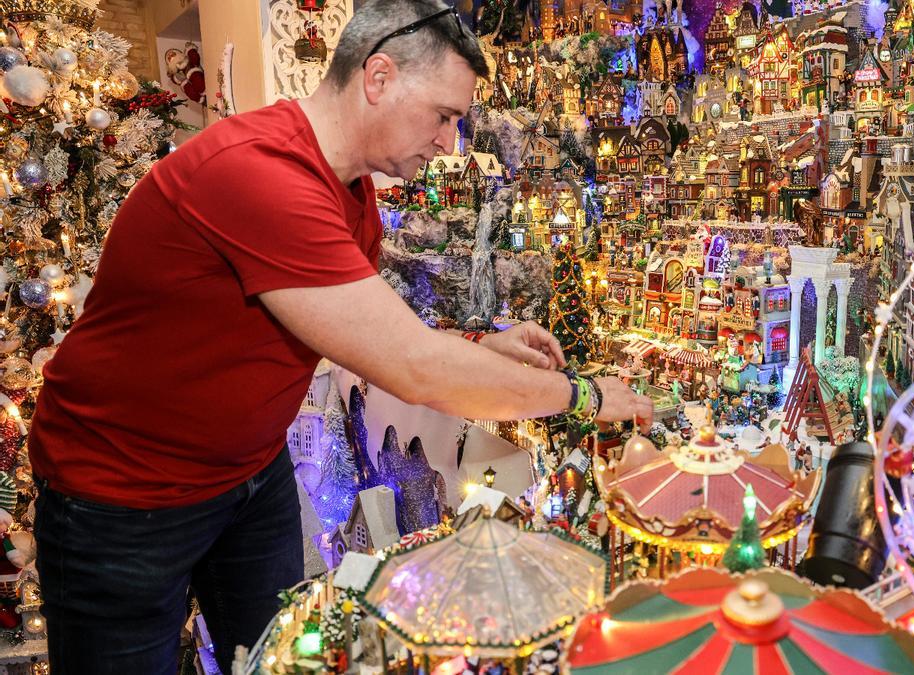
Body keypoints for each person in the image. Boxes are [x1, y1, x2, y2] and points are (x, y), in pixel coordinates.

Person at [28, 1, 653, 673]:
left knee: (278, 653)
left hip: (248, 471)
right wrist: (581, 395)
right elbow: (416, 369)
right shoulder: (263, 173)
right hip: (123, 493)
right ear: (378, 77)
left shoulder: (352, 189)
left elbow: (354, 322)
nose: (450, 142)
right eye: (444, 115)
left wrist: (475, 346)